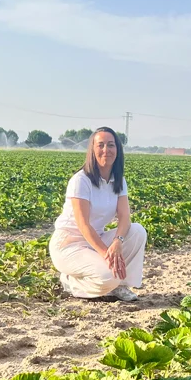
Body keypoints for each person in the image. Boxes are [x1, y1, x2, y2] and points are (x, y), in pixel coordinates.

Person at [49, 127, 147, 301]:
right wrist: (106, 254)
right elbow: (83, 225)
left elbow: (125, 217)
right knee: (108, 277)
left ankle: (121, 285)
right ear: (92, 150)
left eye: (111, 145)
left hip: (97, 238)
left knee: (137, 231)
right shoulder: (81, 180)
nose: (106, 150)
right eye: (100, 145)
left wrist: (117, 242)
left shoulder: (119, 180)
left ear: (117, 150)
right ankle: (70, 281)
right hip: (69, 244)